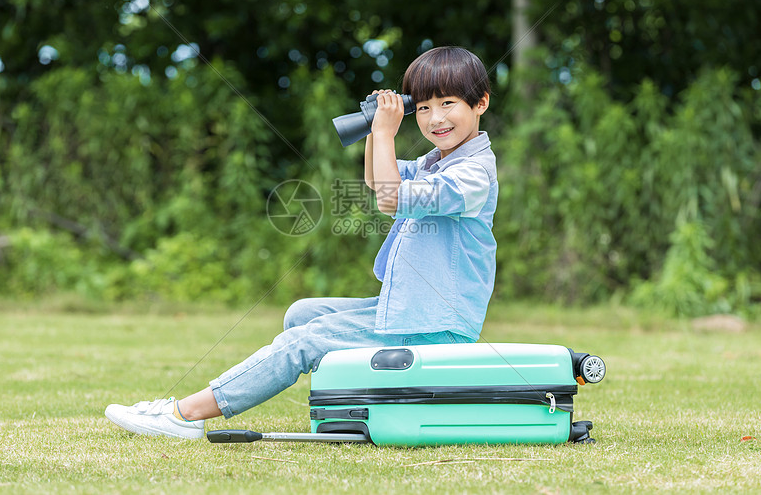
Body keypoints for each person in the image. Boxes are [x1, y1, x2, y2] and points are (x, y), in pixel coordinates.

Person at [104, 46, 498, 439]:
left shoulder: (473, 174)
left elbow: (390, 197)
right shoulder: (437, 161)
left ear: (480, 103)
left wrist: (384, 133)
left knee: (303, 340)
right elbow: (379, 180)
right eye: (424, 108)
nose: (436, 118)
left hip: (436, 325)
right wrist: (373, 126)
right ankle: (348, 406)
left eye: (448, 103)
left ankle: (185, 415)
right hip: (412, 310)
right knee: (302, 313)